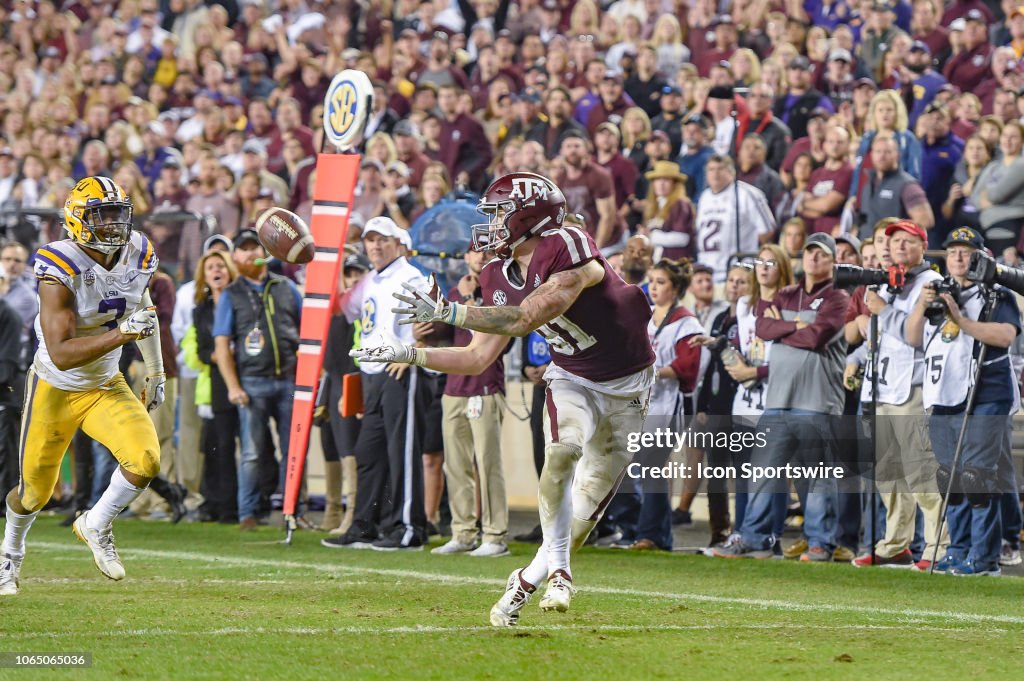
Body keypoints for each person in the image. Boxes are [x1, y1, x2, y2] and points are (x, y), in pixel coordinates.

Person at [353, 172, 654, 626]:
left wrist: (448, 310)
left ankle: (527, 579)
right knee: (562, 452)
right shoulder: (496, 273)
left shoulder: (567, 243)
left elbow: (525, 317)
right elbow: (476, 357)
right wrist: (409, 352)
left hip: (629, 387)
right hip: (573, 377)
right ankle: (562, 574)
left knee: (585, 515)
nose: (491, 227)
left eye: (498, 215)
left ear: (529, 217)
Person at [1, 177, 165, 596]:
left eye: (117, 214)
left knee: (145, 460)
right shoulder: (60, 265)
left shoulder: (138, 253)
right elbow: (61, 352)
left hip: (105, 385)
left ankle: (95, 522)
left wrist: (156, 370)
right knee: (34, 493)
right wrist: (122, 335)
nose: (112, 224)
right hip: (56, 386)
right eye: (102, 215)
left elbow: (144, 310)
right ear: (77, 219)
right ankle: (10, 555)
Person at [712, 234, 849, 561]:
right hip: (778, 399)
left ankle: (820, 542)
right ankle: (753, 537)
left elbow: (817, 336)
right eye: (810, 253)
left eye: (822, 254)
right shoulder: (787, 293)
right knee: (761, 473)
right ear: (802, 258)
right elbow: (763, 328)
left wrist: (783, 324)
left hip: (817, 398)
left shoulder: (838, 297)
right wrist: (795, 324)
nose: (815, 259)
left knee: (815, 478)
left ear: (832, 260)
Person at [906, 227, 1021, 576]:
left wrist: (961, 320)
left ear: (981, 256)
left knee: (978, 478)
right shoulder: (938, 293)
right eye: (952, 251)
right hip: (943, 393)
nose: (958, 257)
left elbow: (1005, 336)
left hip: (986, 392)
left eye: (966, 251)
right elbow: (912, 338)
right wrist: (922, 306)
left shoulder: (996, 295)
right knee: (951, 479)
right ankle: (958, 549)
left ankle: (984, 557)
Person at [323, 217, 434, 551]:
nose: (375, 246)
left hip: (399, 369)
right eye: (370, 240)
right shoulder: (371, 279)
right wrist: (324, 270)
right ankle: (367, 524)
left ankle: (409, 526)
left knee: (401, 450)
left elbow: (430, 320)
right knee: (369, 452)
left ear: (398, 243)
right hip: (372, 371)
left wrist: (413, 353)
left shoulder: (411, 276)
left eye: (382, 240)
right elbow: (344, 307)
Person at [853, 220, 949, 569]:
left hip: (914, 386)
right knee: (887, 474)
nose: (900, 248)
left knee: (920, 470)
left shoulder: (931, 283)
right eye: (895, 243)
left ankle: (937, 546)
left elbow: (917, 337)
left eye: (909, 242)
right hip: (882, 385)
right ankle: (895, 543)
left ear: (924, 246)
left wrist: (883, 311)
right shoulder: (889, 283)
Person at [213, 229, 303, 531]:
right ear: (235, 257)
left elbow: (307, 334)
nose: (250, 253)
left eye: (256, 248)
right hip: (252, 382)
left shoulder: (287, 288)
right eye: (244, 249)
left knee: (294, 450)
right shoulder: (231, 294)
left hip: (290, 380)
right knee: (251, 452)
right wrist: (234, 386)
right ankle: (248, 513)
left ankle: (293, 511)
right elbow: (222, 345)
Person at [431, 247, 511, 557]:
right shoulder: (454, 290)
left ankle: (494, 536)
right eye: (476, 252)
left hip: (486, 387)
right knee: (456, 464)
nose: (481, 257)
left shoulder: (501, 293)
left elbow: (489, 335)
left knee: (488, 463)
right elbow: (441, 335)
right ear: (465, 257)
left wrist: (465, 302)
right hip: (453, 388)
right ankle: (462, 532)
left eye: (488, 253)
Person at [629, 259, 702, 551]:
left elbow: (688, 366)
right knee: (644, 468)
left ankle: (650, 534)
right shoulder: (645, 316)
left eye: (660, 282)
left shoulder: (687, 322)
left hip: (669, 405)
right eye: (652, 281)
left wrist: (654, 370)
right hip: (644, 404)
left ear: (675, 288)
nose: (653, 287)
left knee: (650, 466)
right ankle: (658, 534)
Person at [694, 154, 776, 283]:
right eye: (711, 169)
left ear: (731, 172)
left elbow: (767, 231)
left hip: (736, 272)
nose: (715, 174)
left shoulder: (746, 193)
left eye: (720, 169)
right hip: (707, 272)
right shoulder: (704, 197)